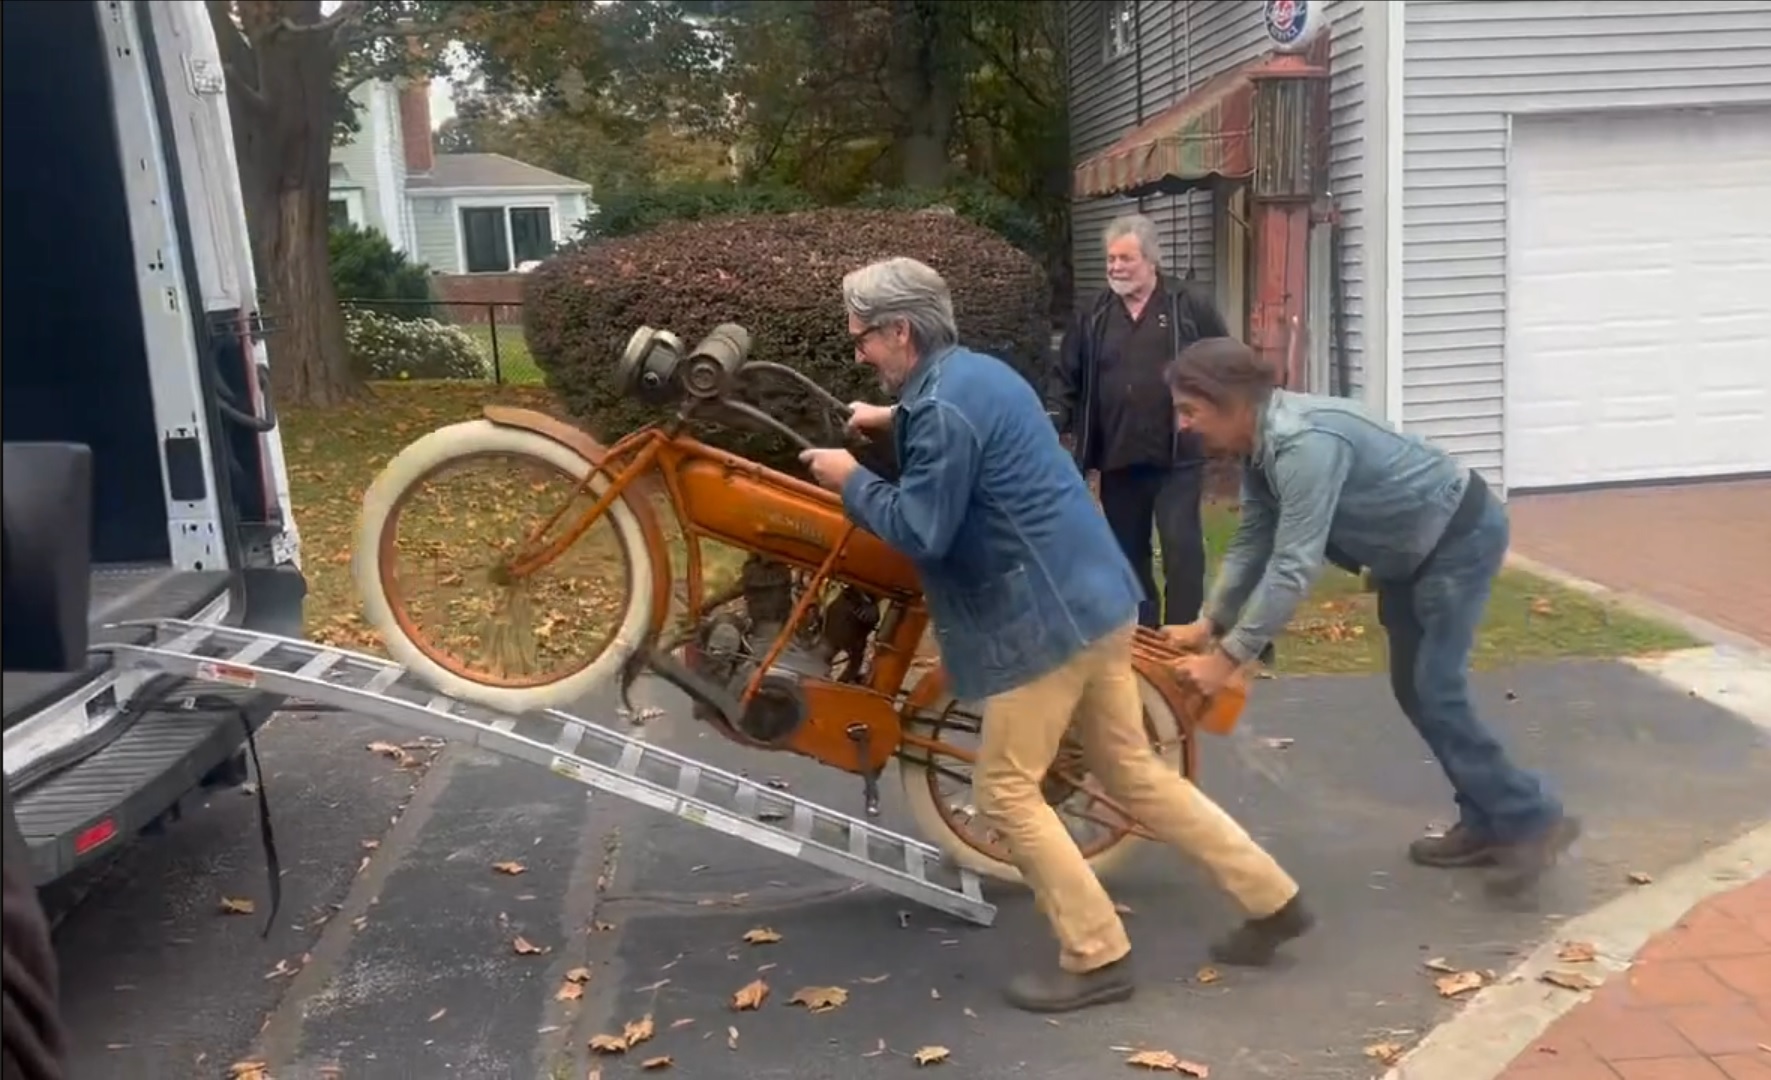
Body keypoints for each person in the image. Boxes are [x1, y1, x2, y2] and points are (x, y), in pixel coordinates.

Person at [798, 257, 1312, 1014]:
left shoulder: (939, 406)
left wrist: (852, 478)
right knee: (1133, 772)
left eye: (864, 338)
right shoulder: (975, 374)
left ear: (900, 330)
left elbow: (922, 527)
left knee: (1005, 790)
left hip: (1041, 619)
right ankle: (1273, 898)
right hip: (1097, 597)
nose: (859, 353)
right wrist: (888, 422)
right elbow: (970, 434)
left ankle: (1096, 953)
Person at [1162, 337, 1579, 896]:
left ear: (1232, 403)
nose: (1184, 424)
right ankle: (1487, 822)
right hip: (1407, 554)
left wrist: (1230, 659)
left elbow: (1292, 564)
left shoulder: (1304, 446)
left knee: (1437, 688)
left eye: (1191, 410)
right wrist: (1210, 623)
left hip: (1457, 539)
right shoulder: (1261, 446)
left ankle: (1532, 818)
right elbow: (1254, 537)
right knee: (1417, 690)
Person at [1049, 214, 1228, 629]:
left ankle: (1182, 634)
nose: (1115, 267)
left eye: (1125, 258)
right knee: (1127, 554)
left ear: (1151, 260)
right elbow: (1066, 375)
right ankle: (1145, 635)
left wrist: (1208, 410)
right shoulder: (1094, 313)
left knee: (1181, 548)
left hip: (1177, 456)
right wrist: (1057, 418)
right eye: (1111, 259)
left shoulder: (1188, 305)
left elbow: (1223, 361)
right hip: (1117, 455)